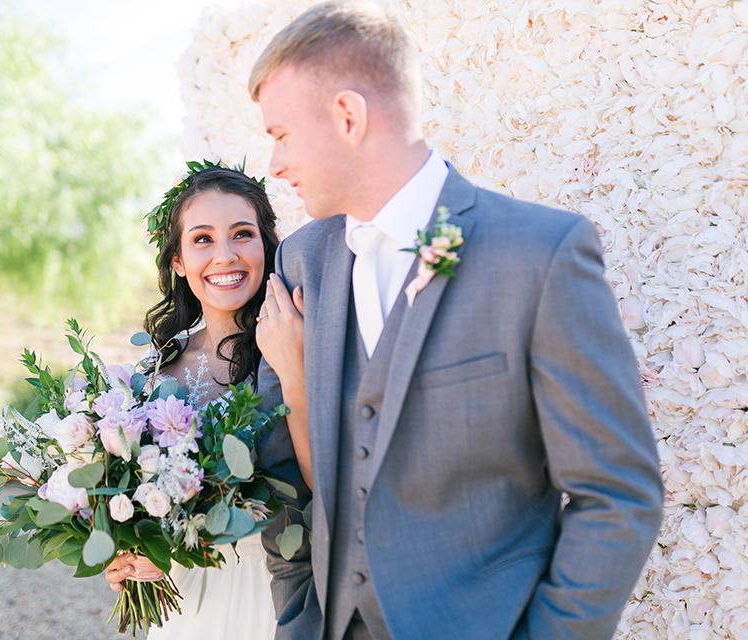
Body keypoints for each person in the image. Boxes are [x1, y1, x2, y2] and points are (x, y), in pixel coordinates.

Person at [251, 3, 665, 640]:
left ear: (348, 116)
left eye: (281, 134)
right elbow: (282, 475)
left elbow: (618, 495)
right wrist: (298, 615)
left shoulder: (538, 255)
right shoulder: (302, 261)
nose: (274, 163)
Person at [103, 165, 308, 640]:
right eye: (202, 239)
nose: (226, 256)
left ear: (265, 245)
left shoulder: (297, 343)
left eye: (242, 234)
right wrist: (132, 551)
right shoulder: (154, 368)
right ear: (176, 260)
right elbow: (139, 497)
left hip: (275, 589)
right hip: (185, 602)